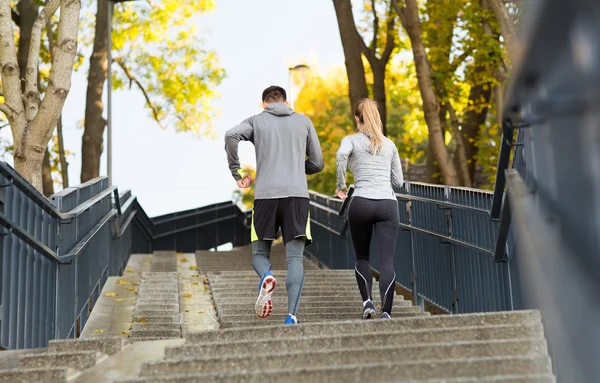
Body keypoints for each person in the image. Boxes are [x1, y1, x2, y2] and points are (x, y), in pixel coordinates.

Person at [224, 85, 324, 325]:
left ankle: (267, 276)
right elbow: (318, 163)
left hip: (265, 197)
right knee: (295, 259)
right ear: (286, 102)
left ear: (264, 103)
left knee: (259, 253)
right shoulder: (304, 121)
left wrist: (236, 173)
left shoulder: (257, 120)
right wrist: (297, 169)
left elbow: (230, 135)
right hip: (297, 198)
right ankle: (291, 316)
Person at [335, 98, 404, 320]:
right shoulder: (390, 145)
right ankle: (386, 311)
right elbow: (398, 182)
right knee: (386, 261)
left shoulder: (350, 140)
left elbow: (340, 155)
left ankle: (367, 303)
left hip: (361, 203)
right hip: (387, 204)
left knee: (362, 256)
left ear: (357, 118)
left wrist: (340, 185)